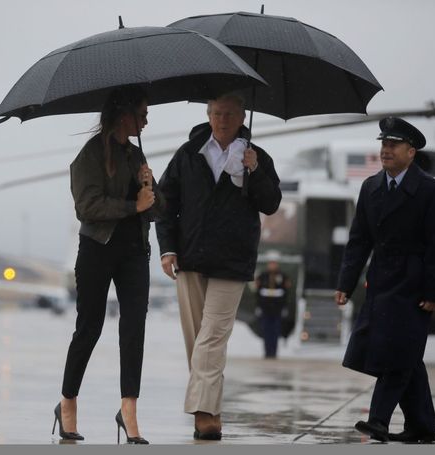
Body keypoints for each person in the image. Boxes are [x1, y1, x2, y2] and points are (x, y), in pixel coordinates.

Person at [156, 93, 282, 440]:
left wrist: (254, 170)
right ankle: (210, 407)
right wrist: (167, 249)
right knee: (197, 341)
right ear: (208, 115)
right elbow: (165, 205)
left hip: (233, 260)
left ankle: (205, 414)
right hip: (190, 256)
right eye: (216, 113)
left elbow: (270, 203)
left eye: (229, 114)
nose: (222, 120)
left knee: (212, 337)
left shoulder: (257, 157)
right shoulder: (188, 154)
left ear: (242, 117)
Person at [53, 86, 164, 444]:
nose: (147, 120)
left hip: (134, 253)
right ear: (123, 114)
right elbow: (88, 207)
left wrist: (149, 186)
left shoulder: (136, 156)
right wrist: (133, 206)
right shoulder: (89, 156)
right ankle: (67, 402)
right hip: (97, 251)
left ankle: (128, 410)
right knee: (90, 328)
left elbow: (157, 209)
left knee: (134, 331)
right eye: (142, 113)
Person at [334, 117, 435, 443]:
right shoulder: (370, 187)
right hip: (381, 285)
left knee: (398, 354)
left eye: (393, 145)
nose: (385, 150)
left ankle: (378, 421)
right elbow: (359, 240)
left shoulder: (431, 189)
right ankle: (422, 427)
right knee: (405, 355)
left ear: (411, 151)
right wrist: (346, 283)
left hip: (414, 286)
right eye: (383, 144)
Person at [255, 258, 291, 359]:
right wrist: (258, 306)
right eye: (271, 263)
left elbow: (286, 293)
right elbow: (258, 292)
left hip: (277, 308)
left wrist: (284, 307)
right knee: (266, 331)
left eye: (274, 264)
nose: (272, 266)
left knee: (275, 331)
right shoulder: (262, 276)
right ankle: (267, 352)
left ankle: (273, 352)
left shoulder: (283, 276)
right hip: (265, 308)